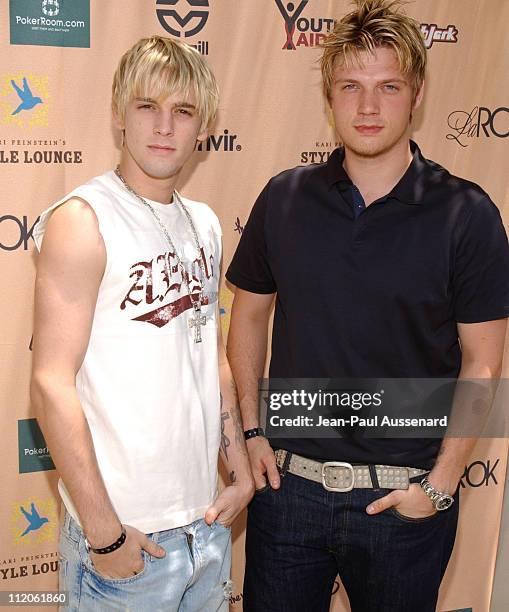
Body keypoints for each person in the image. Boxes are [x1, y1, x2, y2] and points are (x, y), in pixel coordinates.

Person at [225, 1, 509, 611]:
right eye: (351, 86)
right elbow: (247, 317)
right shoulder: (284, 199)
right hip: (287, 495)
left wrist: (438, 488)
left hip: (402, 505)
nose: (369, 106)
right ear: (330, 94)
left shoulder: (467, 214)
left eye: (388, 86)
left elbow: (484, 364)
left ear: (417, 94)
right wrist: (250, 432)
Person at [30, 36, 254, 611]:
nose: (164, 126)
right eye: (147, 106)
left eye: (182, 112)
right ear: (118, 114)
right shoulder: (84, 219)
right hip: (127, 542)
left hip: (205, 530)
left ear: (202, 126)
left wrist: (240, 471)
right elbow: (51, 381)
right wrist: (105, 535)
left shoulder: (204, 223)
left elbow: (212, 360)